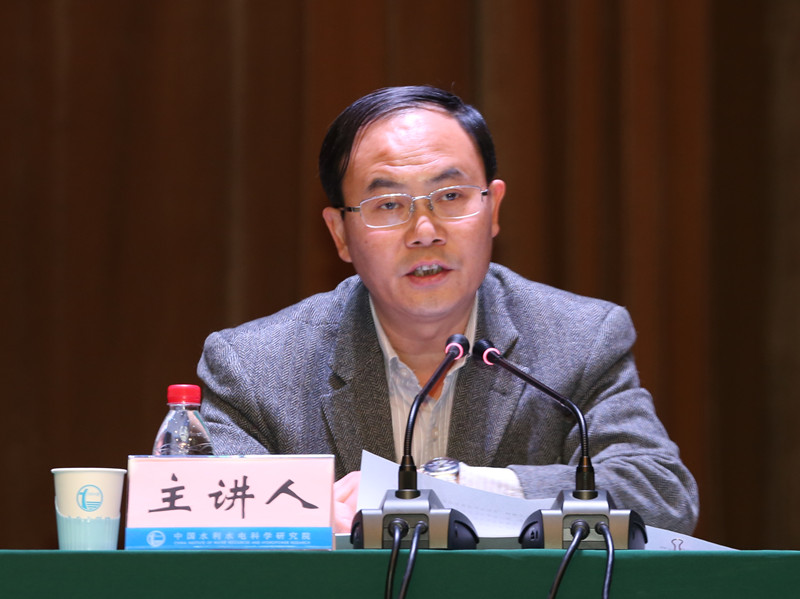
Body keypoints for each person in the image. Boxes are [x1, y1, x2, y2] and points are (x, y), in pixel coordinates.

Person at [197, 85, 700, 535]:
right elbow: (197, 505)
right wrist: (295, 514)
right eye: (389, 205)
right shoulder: (255, 366)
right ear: (340, 234)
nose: (425, 231)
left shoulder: (580, 338)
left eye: (451, 196)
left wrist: (464, 488)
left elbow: (660, 493)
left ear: (493, 208)